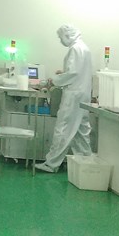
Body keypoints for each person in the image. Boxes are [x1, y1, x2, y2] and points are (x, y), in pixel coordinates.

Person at [35, 24, 93, 173]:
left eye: (60, 37)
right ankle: (86, 164)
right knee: (80, 131)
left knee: (63, 128)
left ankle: (51, 164)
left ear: (67, 35)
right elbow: (77, 71)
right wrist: (63, 73)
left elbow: (73, 73)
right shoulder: (84, 48)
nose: (60, 40)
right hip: (83, 94)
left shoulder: (75, 48)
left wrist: (54, 80)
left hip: (73, 95)